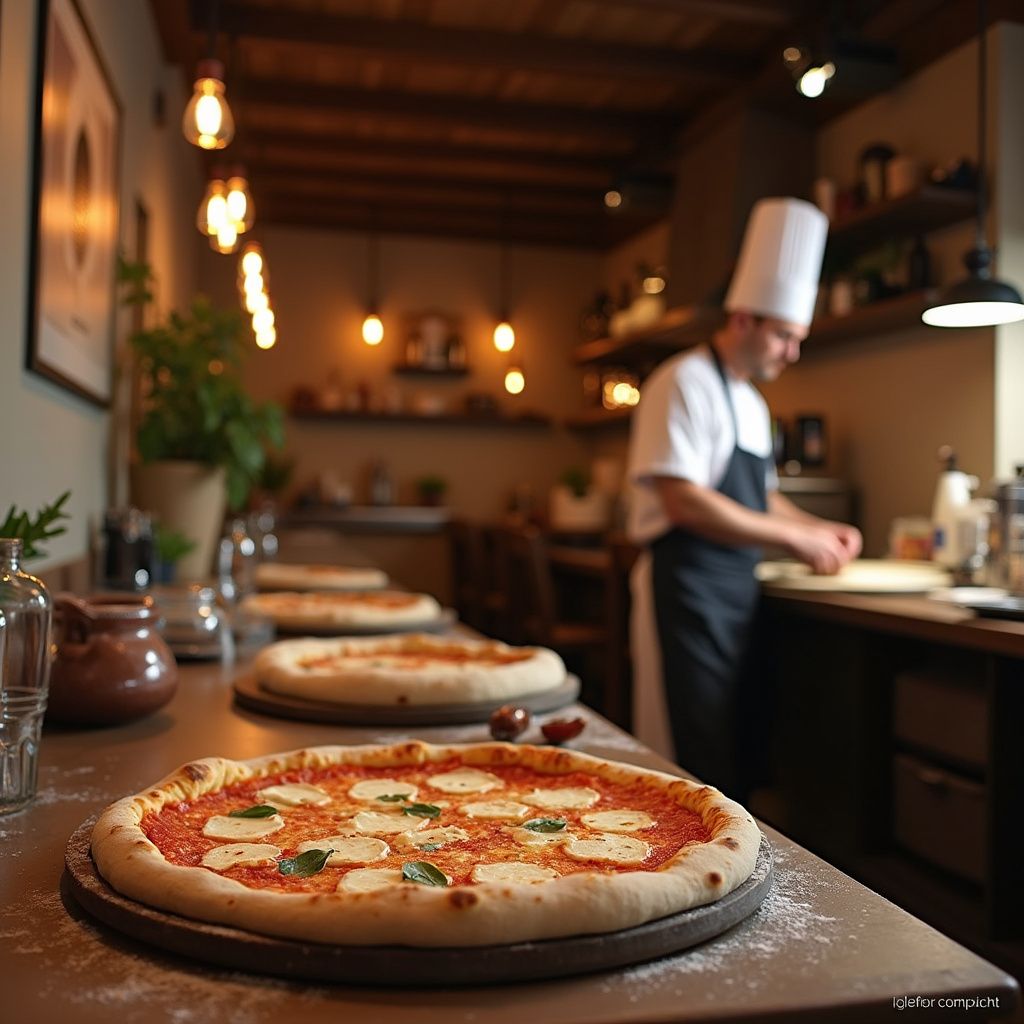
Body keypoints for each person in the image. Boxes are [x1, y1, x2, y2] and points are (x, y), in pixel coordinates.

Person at [626, 197, 862, 797]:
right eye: (785, 335)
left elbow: (763, 499)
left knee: (732, 749)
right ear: (743, 319)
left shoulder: (753, 405)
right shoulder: (681, 383)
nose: (792, 352)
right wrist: (792, 537)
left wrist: (819, 527)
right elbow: (684, 500)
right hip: (683, 588)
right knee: (685, 755)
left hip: (733, 592)